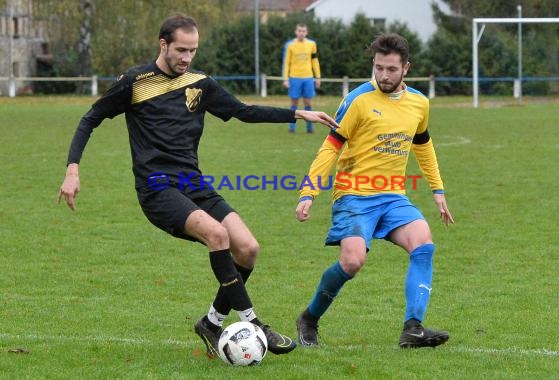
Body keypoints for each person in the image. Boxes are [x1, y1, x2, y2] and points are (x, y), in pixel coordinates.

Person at [57, 13, 339, 359]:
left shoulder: (201, 83)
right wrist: (73, 169)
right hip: (157, 189)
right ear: (163, 45)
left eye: (193, 51)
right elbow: (91, 118)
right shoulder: (135, 82)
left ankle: (210, 323)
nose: (187, 57)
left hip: (194, 183)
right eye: (181, 50)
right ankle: (255, 324)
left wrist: (298, 114)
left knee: (248, 249)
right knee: (217, 236)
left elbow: (243, 111)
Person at [294, 33, 454, 349]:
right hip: (353, 194)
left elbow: (423, 146)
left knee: (424, 244)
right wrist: (308, 192)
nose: (383, 75)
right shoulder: (357, 100)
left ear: (406, 68)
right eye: (378, 67)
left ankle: (413, 327)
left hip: (393, 196)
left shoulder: (420, 103)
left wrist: (438, 190)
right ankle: (309, 318)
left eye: (391, 69)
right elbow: (330, 147)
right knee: (352, 262)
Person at [282, 23, 321, 134]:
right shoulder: (290, 45)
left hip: (308, 78)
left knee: (308, 103)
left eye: (303, 31)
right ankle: (291, 128)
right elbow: (286, 62)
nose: (301, 33)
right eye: (299, 31)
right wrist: (285, 79)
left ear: (306, 32)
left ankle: (309, 128)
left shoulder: (312, 44)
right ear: (296, 32)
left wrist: (318, 77)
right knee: (294, 103)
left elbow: (315, 61)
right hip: (294, 78)